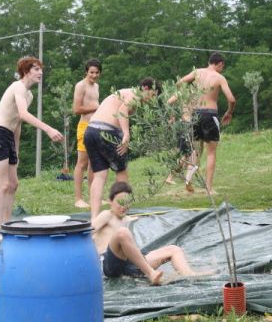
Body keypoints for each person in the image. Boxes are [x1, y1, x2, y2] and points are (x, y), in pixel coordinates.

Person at [0, 57, 64, 240]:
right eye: (36, 69)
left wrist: (17, 150)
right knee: (2, 184)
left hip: (9, 137)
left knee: (13, 184)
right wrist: (48, 128)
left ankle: (7, 225)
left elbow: (18, 122)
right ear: (26, 71)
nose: (40, 72)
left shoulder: (29, 95)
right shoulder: (18, 87)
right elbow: (23, 113)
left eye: (40, 69)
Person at [92, 181, 207, 285]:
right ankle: (151, 274)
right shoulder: (106, 215)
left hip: (128, 265)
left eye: (127, 202)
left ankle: (188, 275)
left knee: (173, 249)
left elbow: (131, 219)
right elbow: (87, 231)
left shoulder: (126, 219)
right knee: (122, 233)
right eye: (120, 202)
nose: (124, 206)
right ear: (110, 201)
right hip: (109, 264)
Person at [85, 77, 160, 222]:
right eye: (153, 95)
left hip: (91, 131)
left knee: (99, 176)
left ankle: (94, 217)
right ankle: (123, 215)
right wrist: (126, 133)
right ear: (145, 88)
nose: (152, 100)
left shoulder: (124, 93)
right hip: (107, 131)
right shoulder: (134, 93)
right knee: (122, 173)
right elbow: (122, 110)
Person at [176, 52, 237, 194]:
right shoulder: (219, 77)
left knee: (196, 150)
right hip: (210, 115)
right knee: (211, 153)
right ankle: (209, 188)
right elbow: (232, 99)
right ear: (220, 63)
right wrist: (229, 112)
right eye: (222, 66)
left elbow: (179, 83)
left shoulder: (197, 72)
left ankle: (188, 180)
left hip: (195, 114)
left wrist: (189, 96)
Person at [73, 59, 101, 209]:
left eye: (97, 72)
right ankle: (78, 199)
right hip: (84, 127)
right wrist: (95, 107)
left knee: (93, 163)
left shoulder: (96, 86)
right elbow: (76, 109)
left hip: (96, 127)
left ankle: (93, 197)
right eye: (91, 72)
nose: (94, 75)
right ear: (86, 72)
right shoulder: (80, 85)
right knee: (82, 163)